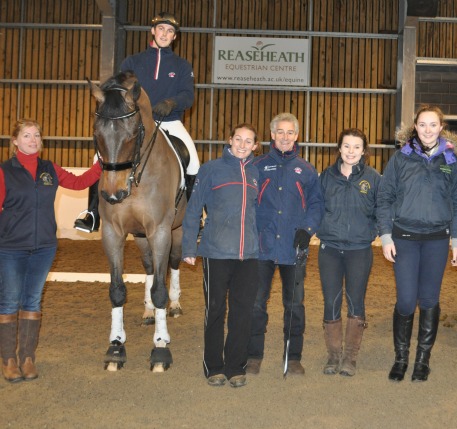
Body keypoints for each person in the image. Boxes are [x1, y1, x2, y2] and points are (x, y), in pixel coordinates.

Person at [75, 11, 200, 233]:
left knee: (194, 162)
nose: (165, 33)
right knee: (99, 158)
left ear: (174, 37)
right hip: (134, 123)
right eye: (161, 29)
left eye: (170, 31)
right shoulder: (132, 61)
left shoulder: (182, 66)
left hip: (169, 121)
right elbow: (117, 90)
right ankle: (92, 214)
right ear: (153, 31)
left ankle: (194, 218)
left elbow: (188, 95)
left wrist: (171, 102)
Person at [0, 119, 101, 382]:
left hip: (44, 246)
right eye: (26, 136)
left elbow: (80, 183)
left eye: (36, 135)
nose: (32, 140)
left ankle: (27, 358)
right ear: (15, 141)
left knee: (32, 301)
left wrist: (103, 163)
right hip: (11, 247)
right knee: (10, 301)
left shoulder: (50, 169)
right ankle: (9, 360)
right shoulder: (4, 171)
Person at [377, 105, 457, 382]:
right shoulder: (400, 159)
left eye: (433, 125)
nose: (427, 130)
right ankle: (401, 358)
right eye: (422, 124)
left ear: (441, 127)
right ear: (415, 127)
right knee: (405, 300)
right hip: (404, 238)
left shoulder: (451, 160)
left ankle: (422, 360)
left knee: (429, 300)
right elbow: (385, 198)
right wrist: (386, 236)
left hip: (437, 240)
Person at [181, 123, 260, 388]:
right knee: (215, 310)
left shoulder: (257, 173)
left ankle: (235, 366)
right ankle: (213, 365)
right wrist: (189, 247)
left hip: (249, 255)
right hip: (216, 253)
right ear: (229, 140)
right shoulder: (211, 170)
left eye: (248, 141)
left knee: (242, 312)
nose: (242, 144)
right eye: (239, 139)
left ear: (255, 146)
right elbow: (193, 210)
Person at [246, 113, 323, 376]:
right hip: (262, 247)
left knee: (295, 305)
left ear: (297, 136)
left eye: (290, 132)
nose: (285, 137)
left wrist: (308, 229)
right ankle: (253, 355)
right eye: (280, 132)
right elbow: (247, 201)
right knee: (256, 303)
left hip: (294, 247)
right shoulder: (256, 166)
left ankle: (294, 357)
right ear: (272, 134)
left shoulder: (307, 169)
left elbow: (316, 204)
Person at [316, 128, 381, 377]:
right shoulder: (325, 177)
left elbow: (382, 209)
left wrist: (370, 232)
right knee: (331, 299)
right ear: (339, 148)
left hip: (359, 250)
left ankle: (350, 357)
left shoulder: (373, 179)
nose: (351, 151)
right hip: (329, 249)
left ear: (364, 151)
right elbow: (316, 206)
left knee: (356, 300)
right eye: (346, 146)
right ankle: (333, 356)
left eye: (356, 147)